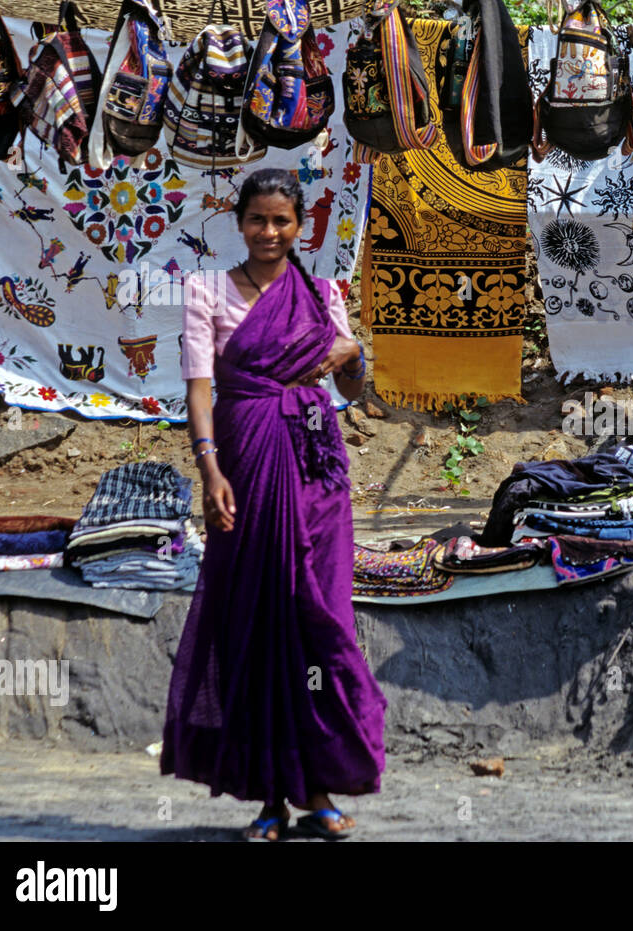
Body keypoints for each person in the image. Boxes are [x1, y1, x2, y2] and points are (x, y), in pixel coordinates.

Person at [161, 167, 386, 841]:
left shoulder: (321, 294)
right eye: (258, 219)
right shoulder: (206, 293)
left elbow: (352, 381)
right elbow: (200, 388)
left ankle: (317, 786)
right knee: (256, 622)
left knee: (318, 620)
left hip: (316, 472)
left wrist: (354, 351)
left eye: (282, 220)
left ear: (300, 224)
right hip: (246, 465)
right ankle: (270, 797)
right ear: (239, 223)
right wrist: (209, 470)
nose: (269, 232)